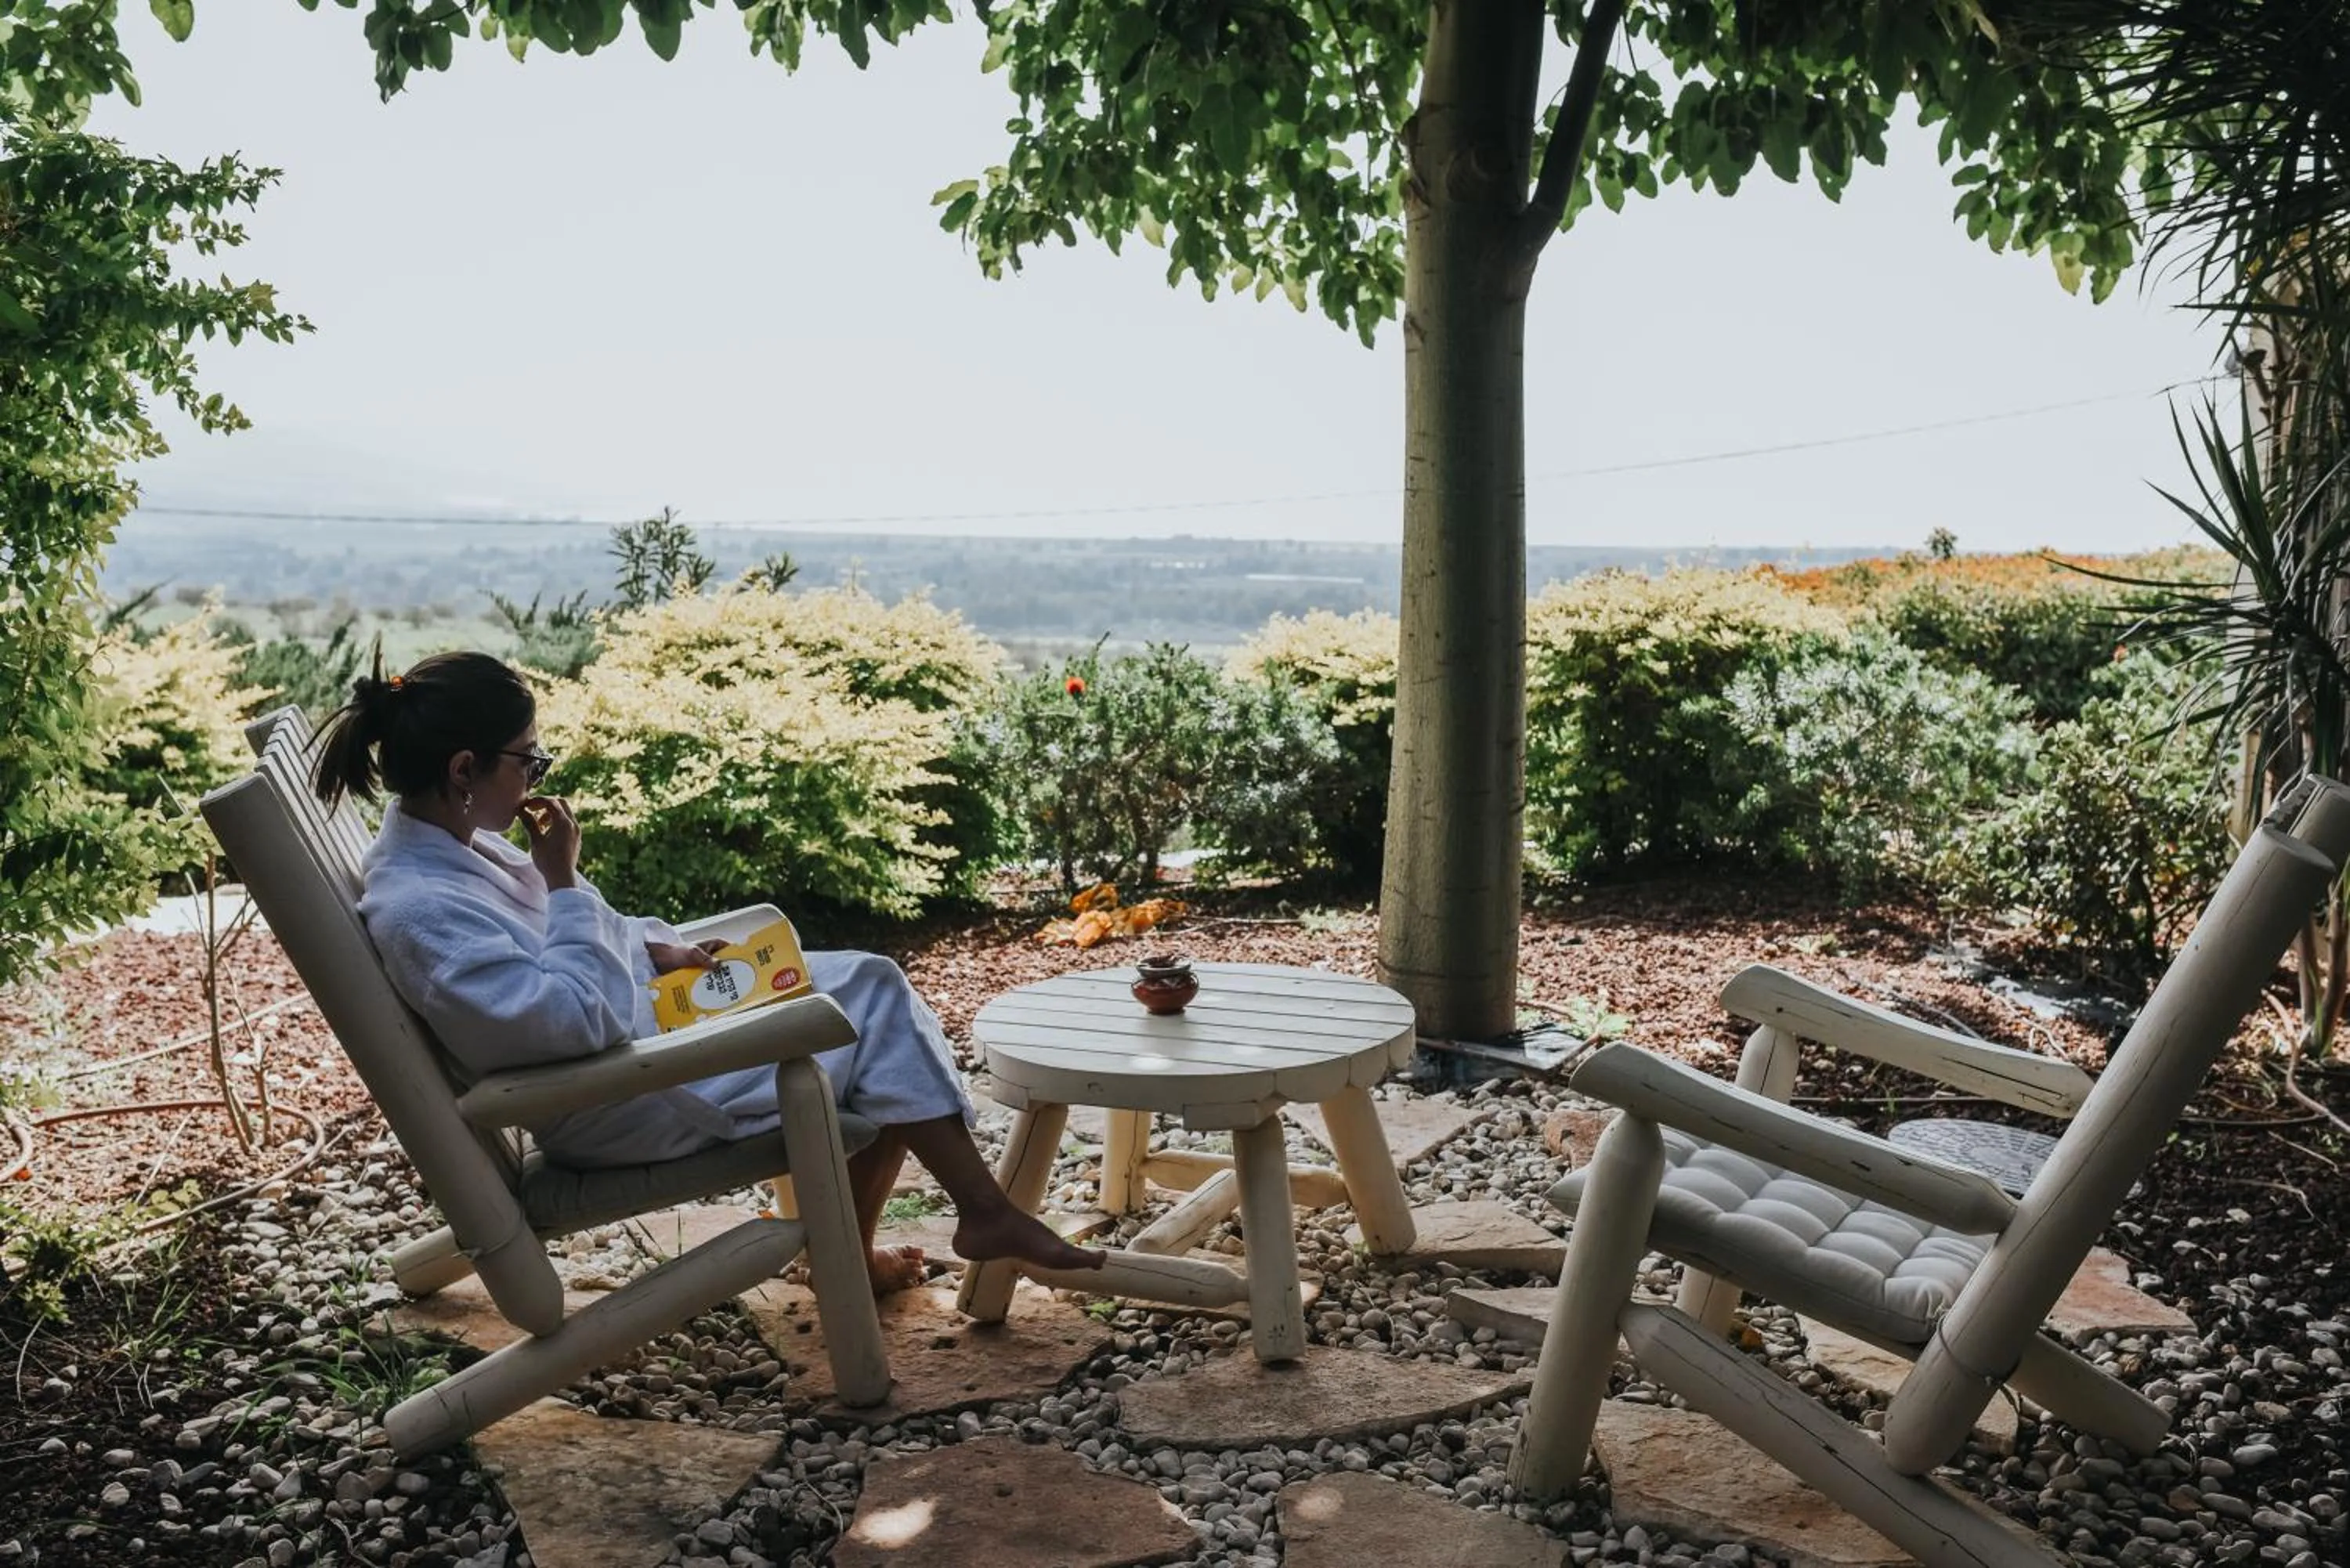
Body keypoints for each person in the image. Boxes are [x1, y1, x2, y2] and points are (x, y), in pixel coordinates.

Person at [311, 649, 1102, 1295]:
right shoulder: (421, 909)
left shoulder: (450, 850)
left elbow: (562, 958)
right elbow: (569, 1020)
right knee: (865, 1026)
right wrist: (561, 879)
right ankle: (949, 1224)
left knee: (868, 980)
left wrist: (656, 947)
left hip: (633, 1049)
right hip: (619, 1096)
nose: (536, 779)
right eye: (529, 760)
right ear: (463, 770)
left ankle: (943, 1223)